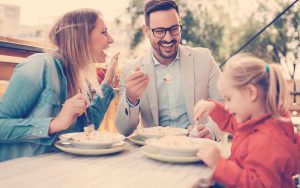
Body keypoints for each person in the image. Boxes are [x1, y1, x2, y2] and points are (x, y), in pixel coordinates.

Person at [0, 8, 118, 161]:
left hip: (59, 170)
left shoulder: (81, 80)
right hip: (21, 174)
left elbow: (88, 128)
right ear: (80, 36)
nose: (111, 39)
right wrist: (53, 124)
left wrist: (107, 83)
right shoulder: (40, 65)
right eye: (103, 32)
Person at [115, 0, 223, 139]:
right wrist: (131, 99)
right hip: (155, 151)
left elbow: (227, 106)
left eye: (174, 29)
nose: (168, 38)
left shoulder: (204, 59)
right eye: (159, 31)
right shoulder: (130, 70)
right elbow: (124, 131)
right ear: (147, 31)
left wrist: (211, 131)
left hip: (197, 148)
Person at [194, 54, 300, 187]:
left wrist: (219, 164)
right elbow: (230, 121)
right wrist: (213, 107)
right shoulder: (254, 122)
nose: (227, 106)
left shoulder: (267, 141)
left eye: (229, 99)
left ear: (251, 92)